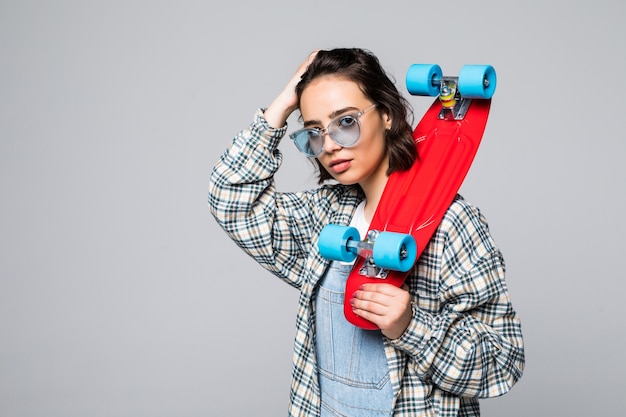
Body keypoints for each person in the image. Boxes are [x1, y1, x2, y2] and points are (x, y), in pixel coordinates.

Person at [208, 48, 524, 417]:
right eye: (313, 131)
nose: (328, 145)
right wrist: (282, 104)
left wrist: (411, 326)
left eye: (345, 121)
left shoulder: (451, 224)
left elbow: (503, 363)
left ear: (387, 115)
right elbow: (230, 199)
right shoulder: (327, 214)